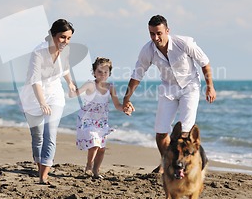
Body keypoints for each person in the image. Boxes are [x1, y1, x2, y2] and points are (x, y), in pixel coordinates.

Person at [122, 15, 216, 170]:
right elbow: (137, 74)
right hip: (168, 89)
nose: (156, 37)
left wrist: (210, 86)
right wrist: (127, 98)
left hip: (189, 87)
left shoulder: (183, 43)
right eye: (152, 34)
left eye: (159, 33)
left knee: (185, 132)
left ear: (167, 30)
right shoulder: (148, 50)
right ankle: (167, 163)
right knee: (161, 132)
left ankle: (184, 166)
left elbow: (204, 63)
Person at [20, 19, 77, 185]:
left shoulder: (65, 50)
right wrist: (42, 102)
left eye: (69, 38)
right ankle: (40, 166)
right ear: (53, 35)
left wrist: (70, 83)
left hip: (54, 94)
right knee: (37, 136)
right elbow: (34, 80)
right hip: (33, 96)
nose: (66, 41)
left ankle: (43, 175)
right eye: (62, 37)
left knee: (50, 133)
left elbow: (64, 68)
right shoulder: (38, 52)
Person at [70, 57, 123, 179]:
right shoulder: (90, 84)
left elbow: (117, 105)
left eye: (106, 72)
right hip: (87, 119)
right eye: (99, 71)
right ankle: (89, 166)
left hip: (102, 121)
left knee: (101, 149)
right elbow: (75, 93)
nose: (103, 74)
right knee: (94, 143)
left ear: (109, 73)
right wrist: (71, 85)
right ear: (94, 72)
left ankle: (96, 171)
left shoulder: (110, 87)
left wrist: (125, 108)